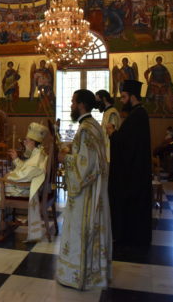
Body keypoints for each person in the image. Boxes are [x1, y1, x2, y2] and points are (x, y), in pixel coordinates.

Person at [57, 89, 112, 290]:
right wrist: (72, 148)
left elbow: (86, 164)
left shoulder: (86, 129)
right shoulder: (92, 125)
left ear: (81, 105)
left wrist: (65, 159)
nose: (71, 105)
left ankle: (79, 275)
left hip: (86, 193)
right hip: (94, 189)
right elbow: (88, 155)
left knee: (81, 230)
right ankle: (92, 272)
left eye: (73, 102)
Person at [0, 122, 48, 242]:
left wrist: (5, 178)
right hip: (28, 185)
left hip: (26, 189)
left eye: (26, 140)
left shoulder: (37, 158)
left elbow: (24, 175)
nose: (24, 143)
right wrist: (16, 159)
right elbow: (25, 170)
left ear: (33, 142)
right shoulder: (38, 153)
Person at [107, 80, 152, 251]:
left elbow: (126, 144)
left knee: (131, 204)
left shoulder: (138, 115)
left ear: (133, 97)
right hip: (135, 170)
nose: (122, 100)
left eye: (124, 97)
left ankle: (130, 237)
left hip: (134, 173)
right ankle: (128, 235)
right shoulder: (137, 114)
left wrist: (113, 133)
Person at [95, 90, 120, 163]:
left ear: (104, 99)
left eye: (98, 100)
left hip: (110, 152)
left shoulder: (112, 113)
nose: (97, 104)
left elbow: (112, 134)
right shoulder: (107, 112)